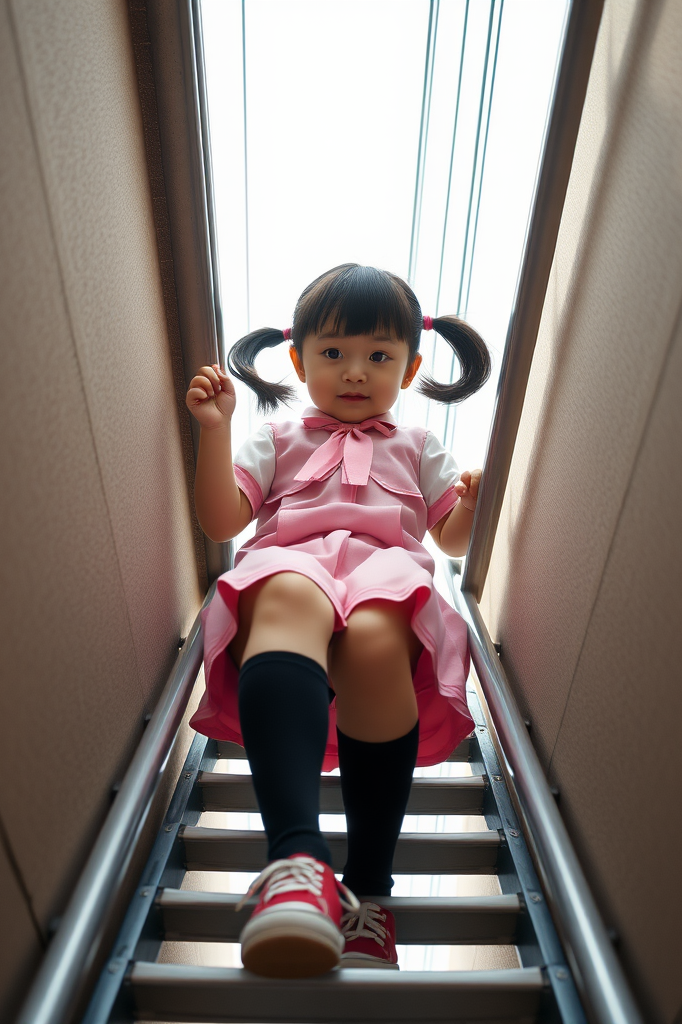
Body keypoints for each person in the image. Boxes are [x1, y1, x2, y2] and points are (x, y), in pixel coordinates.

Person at [185, 264, 490, 978]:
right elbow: (223, 517)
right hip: (292, 563)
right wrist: (216, 431)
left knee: (381, 636)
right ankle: (296, 858)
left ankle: (370, 897)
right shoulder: (278, 435)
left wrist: (471, 505)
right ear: (298, 361)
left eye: (379, 356)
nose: (356, 372)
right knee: (289, 593)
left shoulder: (418, 446)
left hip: (384, 569)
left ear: (410, 368)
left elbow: (448, 539)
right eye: (333, 354)